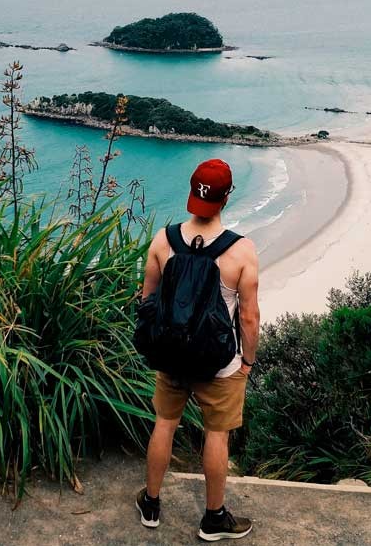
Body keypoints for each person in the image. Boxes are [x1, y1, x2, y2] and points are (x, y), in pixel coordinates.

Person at [135, 158, 260, 542]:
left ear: (192, 191)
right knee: (216, 436)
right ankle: (213, 518)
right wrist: (247, 363)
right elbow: (250, 319)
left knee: (164, 425)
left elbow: (147, 300)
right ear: (227, 196)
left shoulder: (163, 239)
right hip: (218, 363)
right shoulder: (241, 252)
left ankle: (151, 505)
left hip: (172, 356)